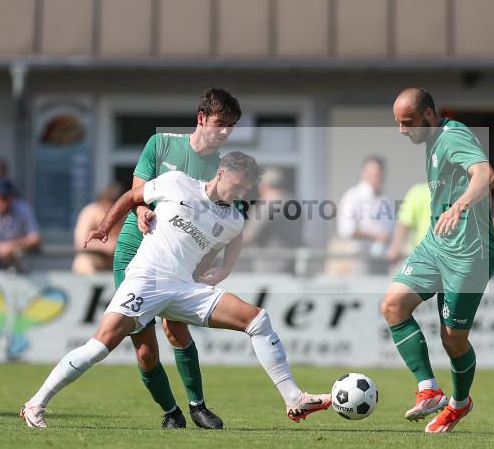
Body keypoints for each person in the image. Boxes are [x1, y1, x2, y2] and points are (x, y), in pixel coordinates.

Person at [20, 152, 331, 428]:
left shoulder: (233, 218)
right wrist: (104, 227)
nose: (239, 193)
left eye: (245, 189)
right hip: (147, 280)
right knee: (100, 346)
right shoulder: (177, 182)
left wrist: (223, 270)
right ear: (221, 173)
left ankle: (294, 399)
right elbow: (133, 196)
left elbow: (231, 241)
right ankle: (35, 404)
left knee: (257, 320)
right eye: (237, 185)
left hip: (184, 287)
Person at [115, 88, 241, 430]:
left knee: (176, 328)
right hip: (134, 248)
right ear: (201, 118)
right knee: (144, 347)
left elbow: (229, 224)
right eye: (220, 123)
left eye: (231, 126)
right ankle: (170, 411)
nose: (225, 131)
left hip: (178, 259)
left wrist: (220, 266)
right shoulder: (161, 144)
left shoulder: (222, 170)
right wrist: (141, 210)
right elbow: (137, 192)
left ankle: (198, 406)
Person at [381, 87, 494, 434]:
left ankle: (459, 403)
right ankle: (429, 390)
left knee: (453, 341)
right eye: (398, 123)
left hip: (466, 256)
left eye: (408, 122)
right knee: (393, 305)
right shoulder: (432, 139)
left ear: (429, 115)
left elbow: (485, 175)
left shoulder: (451, 136)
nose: (402, 130)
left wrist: (460, 208)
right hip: (437, 243)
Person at [336, 156, 395, 273]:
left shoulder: (386, 197)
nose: (376, 177)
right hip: (360, 257)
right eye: (373, 174)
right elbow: (346, 230)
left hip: (382, 258)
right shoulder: (353, 196)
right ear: (364, 173)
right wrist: (376, 236)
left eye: (379, 174)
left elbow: (391, 228)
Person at [242, 167, 304, 274]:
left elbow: (249, 236)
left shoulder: (267, 203)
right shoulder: (294, 203)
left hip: (269, 265)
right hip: (292, 263)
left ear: (263, 186)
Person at [72, 183, 123, 274]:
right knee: (83, 262)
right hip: (94, 257)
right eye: (107, 203)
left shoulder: (125, 214)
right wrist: (106, 245)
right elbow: (80, 242)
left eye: (114, 204)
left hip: (117, 260)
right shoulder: (90, 212)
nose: (109, 208)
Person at [386, 182, 431, 265]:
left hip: (423, 259)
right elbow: (403, 224)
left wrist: (395, 249)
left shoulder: (417, 192)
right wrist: (396, 248)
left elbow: (403, 224)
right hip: (421, 257)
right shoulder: (417, 192)